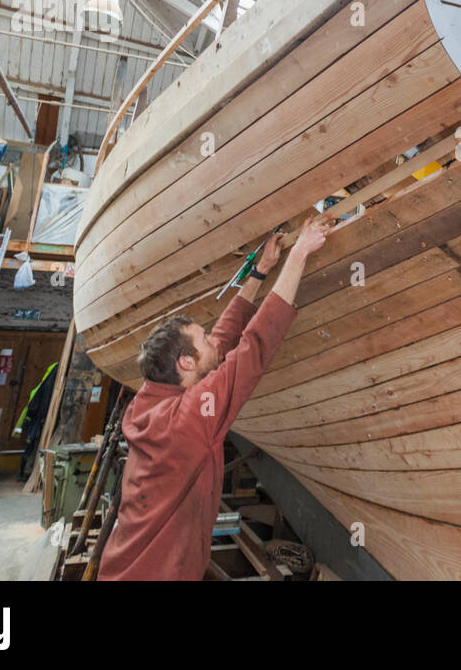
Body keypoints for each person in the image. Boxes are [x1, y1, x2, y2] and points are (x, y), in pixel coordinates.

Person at [98, 217, 330, 581]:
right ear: (186, 363)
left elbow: (221, 343)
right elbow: (251, 350)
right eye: (202, 339)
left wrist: (259, 271)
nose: (212, 340)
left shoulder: (151, 398)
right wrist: (299, 254)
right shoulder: (187, 420)